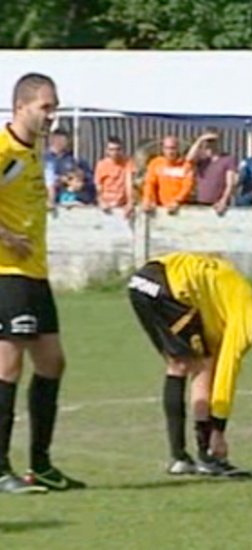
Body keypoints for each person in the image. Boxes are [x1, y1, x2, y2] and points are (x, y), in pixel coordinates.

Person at [127, 252, 252, 475]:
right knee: (188, 365)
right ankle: (189, 456)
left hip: (144, 280)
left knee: (193, 364)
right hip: (168, 287)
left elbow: (216, 365)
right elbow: (228, 371)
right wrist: (219, 430)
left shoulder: (232, 305)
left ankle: (194, 454)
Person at [0, 73, 85, 494]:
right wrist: (6, 237)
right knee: (8, 363)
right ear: (21, 106)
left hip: (35, 273)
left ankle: (42, 465)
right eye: (46, 107)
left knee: (52, 362)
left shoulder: (34, 154)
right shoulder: (4, 150)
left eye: (54, 107)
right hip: (5, 273)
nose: (51, 115)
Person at [95, 137, 135, 218]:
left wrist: (130, 202)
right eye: (111, 149)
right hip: (106, 205)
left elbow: (129, 184)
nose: (115, 152)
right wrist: (101, 202)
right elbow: (99, 186)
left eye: (117, 149)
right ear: (107, 151)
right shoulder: (102, 165)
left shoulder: (128, 163)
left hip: (122, 204)